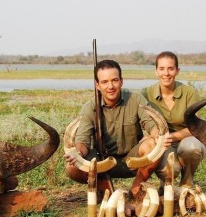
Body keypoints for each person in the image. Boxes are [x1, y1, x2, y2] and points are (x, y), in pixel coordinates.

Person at [64, 59, 169, 201]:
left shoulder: (136, 99)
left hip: (132, 160)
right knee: (72, 168)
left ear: (121, 81)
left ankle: (136, 187)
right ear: (98, 85)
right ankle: (102, 185)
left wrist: (157, 135)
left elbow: (152, 126)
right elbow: (82, 141)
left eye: (114, 80)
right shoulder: (90, 107)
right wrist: (77, 152)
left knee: (153, 144)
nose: (110, 86)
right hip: (101, 163)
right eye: (105, 82)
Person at [141, 51, 206, 191]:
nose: (166, 73)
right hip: (162, 142)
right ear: (156, 71)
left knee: (192, 148)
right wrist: (154, 137)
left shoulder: (189, 92)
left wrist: (172, 137)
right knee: (171, 169)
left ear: (177, 71)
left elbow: (196, 126)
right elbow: (144, 122)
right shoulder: (146, 93)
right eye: (162, 69)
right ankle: (165, 183)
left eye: (171, 68)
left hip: (188, 138)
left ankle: (187, 183)